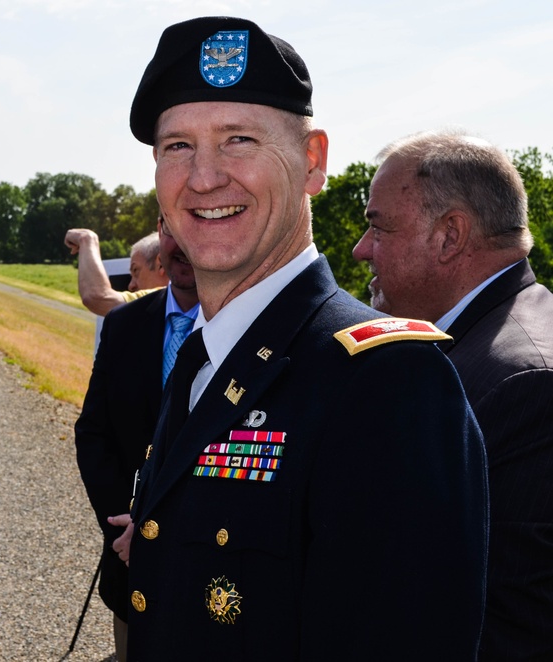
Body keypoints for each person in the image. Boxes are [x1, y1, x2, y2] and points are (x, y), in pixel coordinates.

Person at [119, 17, 489, 659]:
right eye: (177, 146)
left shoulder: (387, 380)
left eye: (239, 140)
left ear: (313, 162)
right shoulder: (206, 351)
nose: (203, 178)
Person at [353, 130, 553, 660]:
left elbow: (507, 624)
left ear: (449, 236)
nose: (360, 249)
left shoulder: (523, 379)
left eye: (378, 226)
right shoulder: (481, 344)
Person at [75, 219, 198, 661]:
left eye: (194, 230)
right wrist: (122, 522)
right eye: (172, 232)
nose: (181, 246)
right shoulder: (125, 324)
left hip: (208, 569)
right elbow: (93, 433)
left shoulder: (249, 329)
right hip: (128, 563)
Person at [65, 227, 169, 316]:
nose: (131, 286)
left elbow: (99, 297)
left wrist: (87, 239)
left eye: (136, 271)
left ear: (161, 265)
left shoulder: (164, 298)